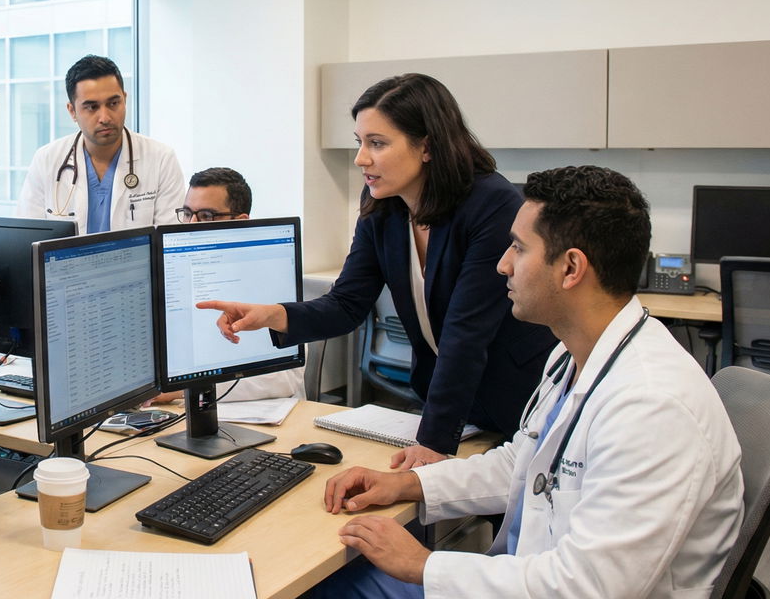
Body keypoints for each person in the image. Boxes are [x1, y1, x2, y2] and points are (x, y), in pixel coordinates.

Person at [300, 165, 744, 599]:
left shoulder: (651, 406)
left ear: (571, 268)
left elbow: (592, 592)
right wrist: (409, 483)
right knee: (338, 597)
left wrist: (426, 565)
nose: (502, 265)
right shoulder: (575, 355)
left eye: (518, 249)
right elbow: (525, 461)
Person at [197, 74, 557, 466]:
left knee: (511, 513)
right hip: (452, 398)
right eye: (360, 142)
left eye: (377, 143)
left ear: (426, 146)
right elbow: (347, 303)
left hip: (516, 396)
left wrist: (434, 442)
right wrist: (274, 315)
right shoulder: (384, 204)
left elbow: (466, 334)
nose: (361, 158)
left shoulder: (491, 204)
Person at [148, 167, 303, 404]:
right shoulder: (174, 275)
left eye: (207, 216)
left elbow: (284, 379)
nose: (191, 224)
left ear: (240, 221)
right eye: (187, 213)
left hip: (263, 416)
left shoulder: (275, 275)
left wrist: (179, 390)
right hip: (179, 414)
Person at [15, 54, 184, 233]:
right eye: (92, 107)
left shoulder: (161, 159)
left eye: (113, 103)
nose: (105, 118)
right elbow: (28, 238)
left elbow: (169, 241)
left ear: (124, 100)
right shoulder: (47, 160)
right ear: (72, 111)